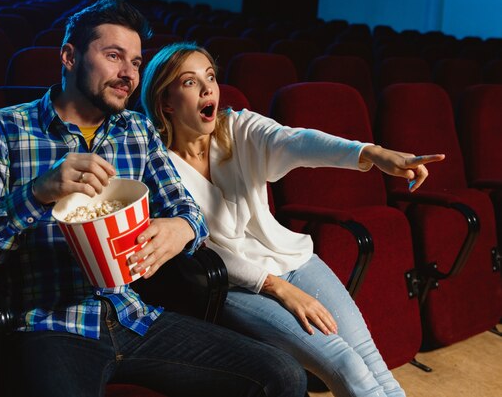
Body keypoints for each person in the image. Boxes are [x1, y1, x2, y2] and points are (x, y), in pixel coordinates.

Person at [0, 0, 308, 397]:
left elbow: (188, 210)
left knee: (283, 374)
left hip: (135, 317)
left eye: (135, 63)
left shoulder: (136, 129)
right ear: (68, 56)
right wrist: (37, 193)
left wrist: (181, 228)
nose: (128, 74)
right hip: (50, 324)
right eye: (114, 56)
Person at [140, 42, 446, 397]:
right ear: (165, 102)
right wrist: (280, 288)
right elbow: (197, 250)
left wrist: (371, 154)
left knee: (368, 357)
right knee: (344, 364)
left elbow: (296, 141)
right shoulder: (157, 166)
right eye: (190, 82)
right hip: (234, 284)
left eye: (210, 76)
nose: (209, 88)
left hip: (292, 259)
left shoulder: (237, 127)